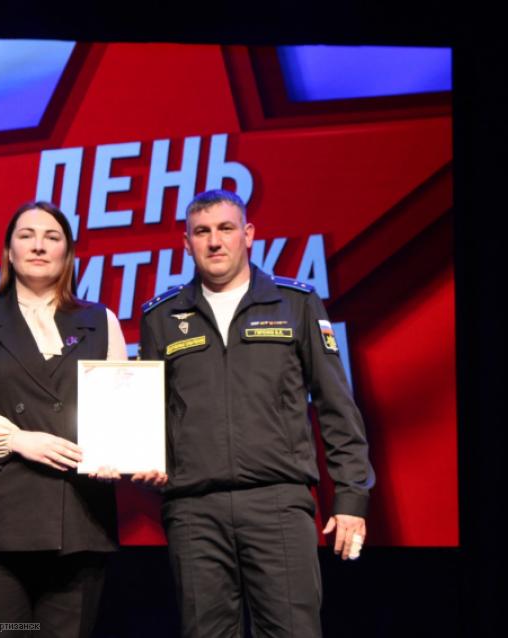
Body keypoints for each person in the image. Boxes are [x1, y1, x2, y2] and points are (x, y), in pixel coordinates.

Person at [139, 189, 375, 637]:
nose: (214, 241)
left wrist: (351, 498)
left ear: (247, 234)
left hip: (279, 503)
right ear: (186, 242)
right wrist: (140, 457)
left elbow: (336, 405)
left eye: (225, 229)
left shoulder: (296, 302)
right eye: (202, 232)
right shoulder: (162, 317)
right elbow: (148, 411)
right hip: (194, 510)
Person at [0, 201, 164, 638]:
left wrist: (126, 455)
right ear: (9, 251)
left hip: (79, 518)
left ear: (67, 253)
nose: (39, 246)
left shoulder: (100, 321)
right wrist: (17, 439)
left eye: (52, 237)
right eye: (27, 236)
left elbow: (118, 409)